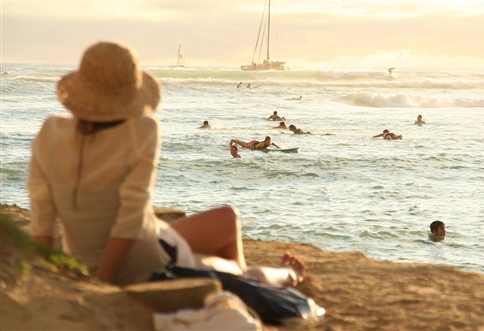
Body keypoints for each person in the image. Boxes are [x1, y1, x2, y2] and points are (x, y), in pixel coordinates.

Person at [27, 41, 304, 287]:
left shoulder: (50, 131)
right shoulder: (142, 128)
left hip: (95, 252)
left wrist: (47, 276)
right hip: (143, 261)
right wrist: (101, 284)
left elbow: (42, 221)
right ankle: (286, 276)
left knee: (227, 219)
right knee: (235, 269)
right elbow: (130, 220)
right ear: (131, 93)